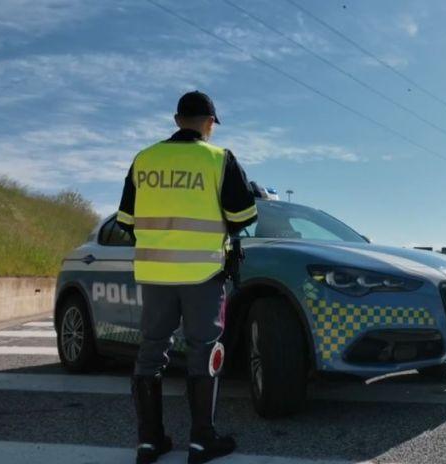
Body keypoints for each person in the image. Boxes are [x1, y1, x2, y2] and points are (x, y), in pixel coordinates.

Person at [116, 91, 258, 463]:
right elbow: (244, 219)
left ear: (177, 120)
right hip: (202, 274)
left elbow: (126, 222)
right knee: (204, 352)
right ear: (210, 123)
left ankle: (148, 443)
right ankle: (201, 441)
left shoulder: (144, 159)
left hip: (154, 273)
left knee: (151, 353)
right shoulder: (218, 158)